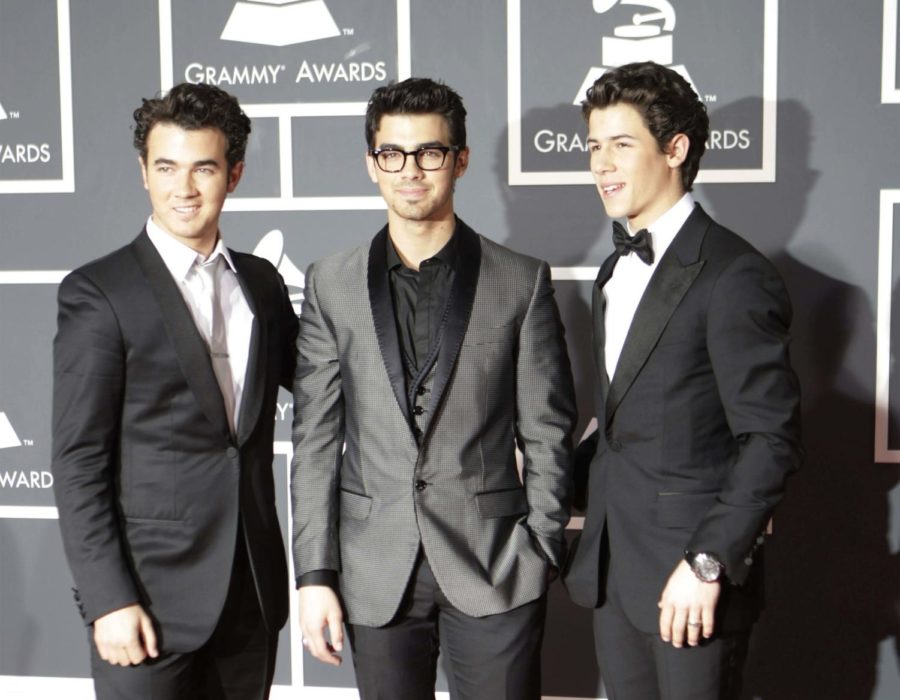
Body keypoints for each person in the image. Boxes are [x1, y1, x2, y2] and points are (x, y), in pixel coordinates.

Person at [291, 77, 576, 700]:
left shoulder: (521, 281)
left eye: (430, 153)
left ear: (460, 160)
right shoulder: (330, 284)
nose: (411, 170)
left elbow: (548, 430)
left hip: (497, 565)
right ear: (372, 164)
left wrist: (541, 548)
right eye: (393, 154)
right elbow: (315, 440)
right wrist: (315, 574)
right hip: (373, 570)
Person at [51, 81, 298, 699]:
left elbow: (326, 385)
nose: (183, 189)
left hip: (252, 598)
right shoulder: (99, 292)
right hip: (147, 606)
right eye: (165, 167)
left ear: (234, 174)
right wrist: (108, 599)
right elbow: (79, 460)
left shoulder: (263, 284)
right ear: (142, 172)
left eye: (203, 168)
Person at [563, 62, 802, 700]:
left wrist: (708, 562)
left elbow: (770, 440)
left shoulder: (733, 274)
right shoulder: (612, 274)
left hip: (693, 580)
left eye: (621, 145)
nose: (600, 165)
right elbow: (627, 428)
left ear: (675, 149)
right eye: (593, 146)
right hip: (614, 574)